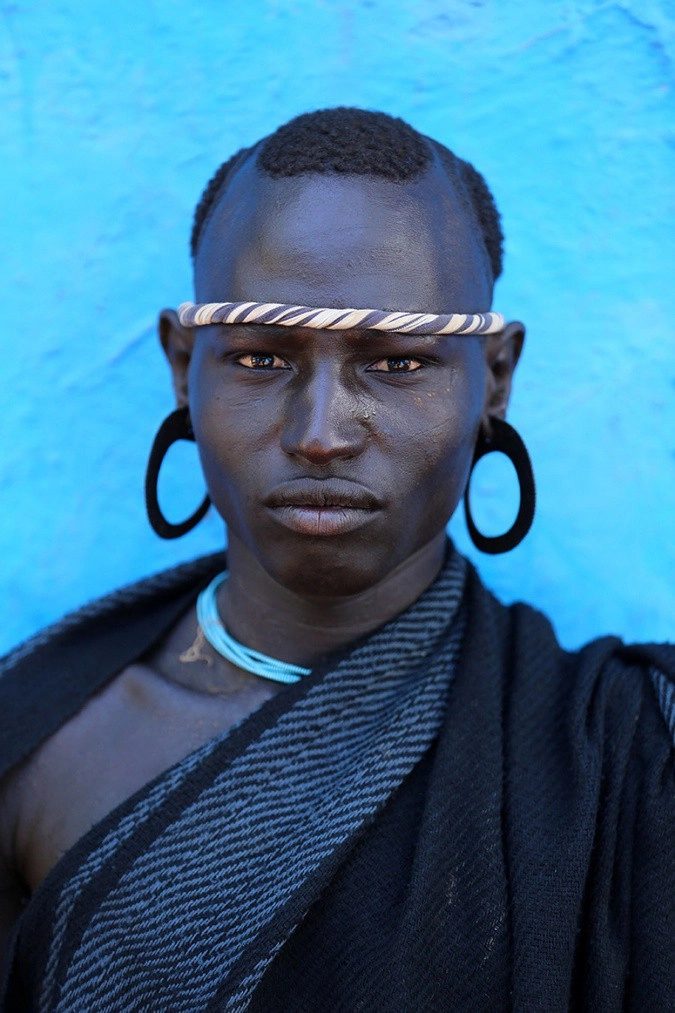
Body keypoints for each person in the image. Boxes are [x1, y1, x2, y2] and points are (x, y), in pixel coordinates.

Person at [0, 107, 673, 1011]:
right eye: (259, 358)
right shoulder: (40, 740)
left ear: (494, 377)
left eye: (397, 364)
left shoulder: (628, 756)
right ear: (183, 364)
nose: (320, 434)